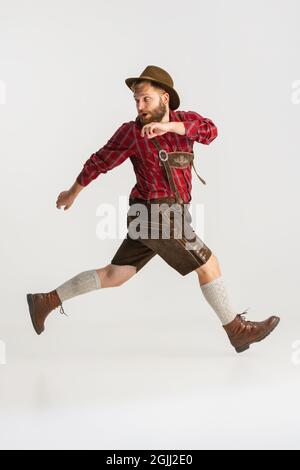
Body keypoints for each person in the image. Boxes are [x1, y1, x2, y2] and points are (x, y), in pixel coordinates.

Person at [26, 65, 280, 353]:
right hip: (153, 214)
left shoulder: (186, 123)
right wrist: (73, 192)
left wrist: (169, 127)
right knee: (209, 264)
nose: (140, 106)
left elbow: (211, 131)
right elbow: (100, 161)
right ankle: (237, 331)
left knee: (115, 275)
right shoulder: (131, 133)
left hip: (167, 214)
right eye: (136, 100)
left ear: (165, 99)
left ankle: (45, 301)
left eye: (146, 99)